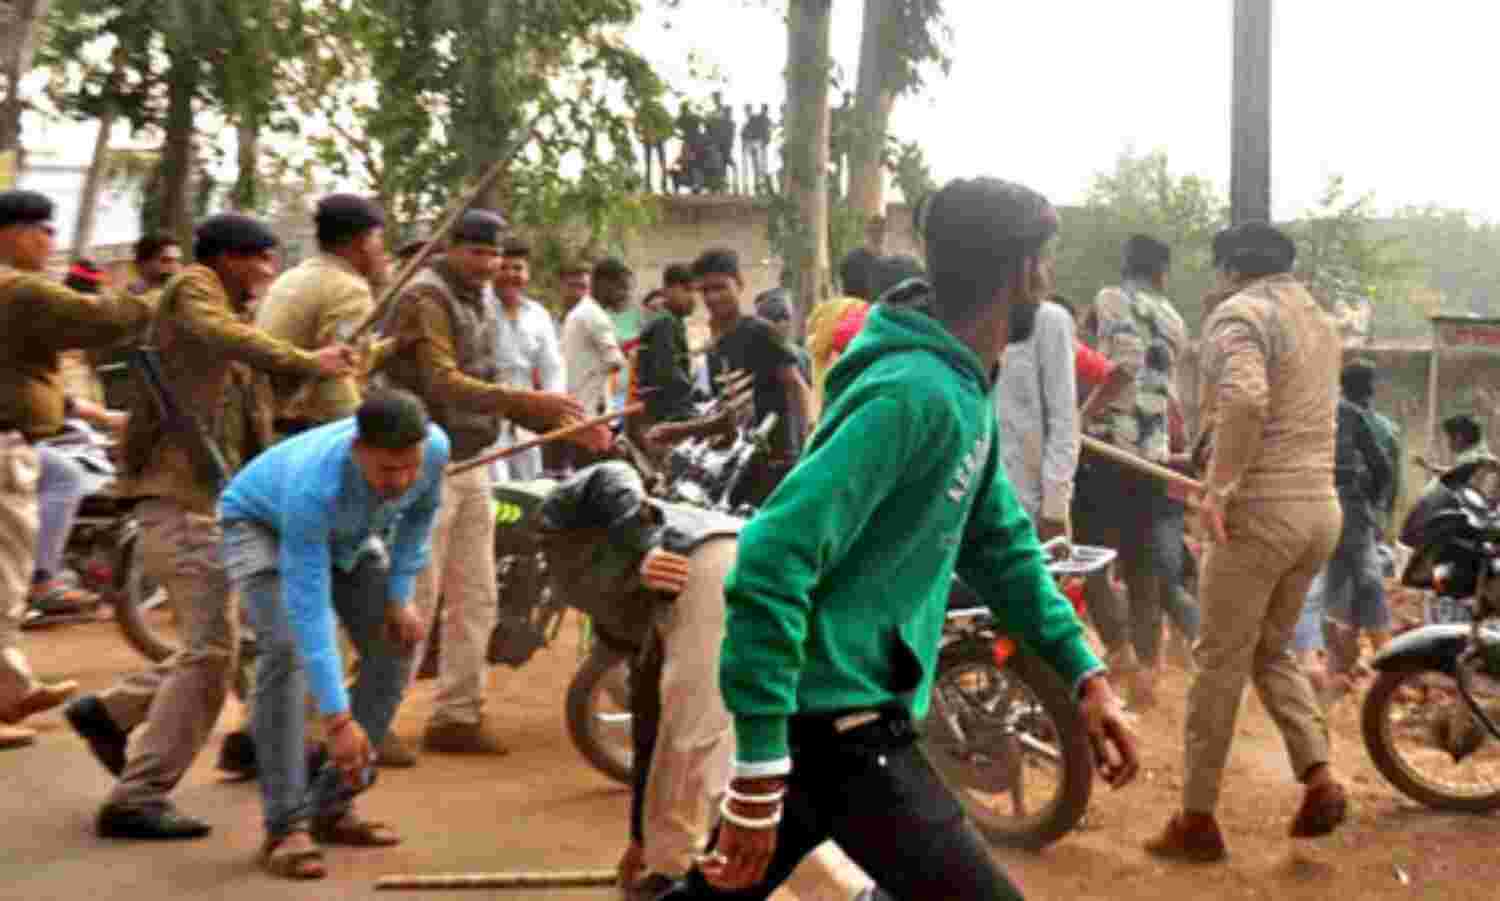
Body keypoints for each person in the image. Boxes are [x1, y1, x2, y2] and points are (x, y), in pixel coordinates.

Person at [660, 177, 1138, 901]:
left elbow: (1002, 547)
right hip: (841, 729)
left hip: (836, 720)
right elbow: (770, 555)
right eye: (1042, 264)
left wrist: (1084, 673)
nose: (1046, 283)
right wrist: (757, 769)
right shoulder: (915, 394)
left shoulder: (958, 387)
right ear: (1017, 271)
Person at [65, 212, 355, 838]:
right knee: (213, 651)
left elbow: (283, 384)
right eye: (260, 259)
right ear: (227, 258)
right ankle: (137, 797)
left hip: (215, 503)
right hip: (179, 500)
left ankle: (115, 715)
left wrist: (348, 358)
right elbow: (232, 340)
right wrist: (310, 357)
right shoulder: (195, 291)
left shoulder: (235, 328)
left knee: (245, 640)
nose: (269, 272)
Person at [1147, 222, 1349, 863]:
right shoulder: (1318, 320)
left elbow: (1244, 400)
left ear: (1231, 269)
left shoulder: (1241, 312)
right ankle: (1318, 775)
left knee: (1217, 664)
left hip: (1258, 516)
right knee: (1269, 649)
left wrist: (1222, 488)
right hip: (1319, 512)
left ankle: (1196, 820)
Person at [377, 209, 601, 755]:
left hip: (473, 458)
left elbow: (491, 383)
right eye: (475, 252)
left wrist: (559, 424)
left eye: (493, 254)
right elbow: (443, 382)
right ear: (450, 248)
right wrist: (532, 403)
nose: (487, 264)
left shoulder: (481, 299)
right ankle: (375, 717)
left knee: (476, 595)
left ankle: (457, 714)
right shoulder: (425, 297)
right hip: (425, 462)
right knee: (418, 595)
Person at [218, 389, 446, 879]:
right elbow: (310, 611)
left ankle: (331, 805)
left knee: (396, 642)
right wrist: (339, 721)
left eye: (410, 466)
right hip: (262, 524)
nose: (403, 480)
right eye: (388, 470)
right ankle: (285, 826)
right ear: (357, 449)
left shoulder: (435, 449)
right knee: (286, 650)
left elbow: (419, 520)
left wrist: (399, 596)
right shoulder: (313, 485)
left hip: (349, 533)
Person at [0, 190, 152, 750]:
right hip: (5, 449)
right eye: (42, 228)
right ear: (12, 233)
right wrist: (166, 297)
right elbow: (99, 318)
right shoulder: (17, 287)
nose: (50, 240)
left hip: (25, 443)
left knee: (7, 578)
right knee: (2, 580)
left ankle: (10, 687)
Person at [1076, 234, 1189, 708]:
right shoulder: (1177, 320)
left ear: (1126, 265)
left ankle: (1119, 651)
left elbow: (1121, 368)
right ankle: (1147, 672)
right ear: (1162, 272)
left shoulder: (1112, 298)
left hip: (1108, 450)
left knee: (1090, 558)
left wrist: (1082, 417)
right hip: (1153, 457)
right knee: (1144, 569)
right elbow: (1166, 393)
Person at [256, 194, 390, 437]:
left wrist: (394, 345)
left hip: (265, 416)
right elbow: (337, 371)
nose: (382, 249)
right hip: (302, 429)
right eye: (379, 238)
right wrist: (360, 437)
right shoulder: (349, 288)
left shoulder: (294, 276)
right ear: (363, 242)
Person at [1313, 361, 1395, 693]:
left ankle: (1341, 668)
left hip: (1318, 505)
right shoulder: (1358, 417)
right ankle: (1384, 667)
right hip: (1347, 507)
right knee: (1364, 583)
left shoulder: (1316, 410)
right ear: (1370, 390)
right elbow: (1384, 469)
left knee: (1345, 586)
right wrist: (1373, 505)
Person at [995, 296, 1078, 542]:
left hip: (1025, 507)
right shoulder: (953, 319)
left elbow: (1064, 422)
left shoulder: (1050, 322)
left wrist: (1054, 509)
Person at [486, 237, 564, 482]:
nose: (510, 274)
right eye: (504, 267)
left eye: (517, 268)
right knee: (495, 486)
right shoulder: (478, 308)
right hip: (488, 414)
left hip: (527, 416)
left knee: (528, 487)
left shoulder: (538, 315)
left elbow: (552, 367)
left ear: (527, 274)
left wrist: (554, 407)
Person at [561, 256, 630, 419]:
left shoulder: (581, 311)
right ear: (603, 284)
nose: (624, 295)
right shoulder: (595, 315)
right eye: (621, 288)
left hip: (576, 410)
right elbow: (616, 362)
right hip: (586, 413)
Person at [638, 264, 702, 437]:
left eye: (696, 292)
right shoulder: (664, 322)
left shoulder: (672, 321)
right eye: (688, 290)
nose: (694, 299)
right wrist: (692, 398)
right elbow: (668, 372)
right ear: (668, 289)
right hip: (665, 414)